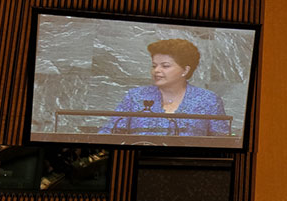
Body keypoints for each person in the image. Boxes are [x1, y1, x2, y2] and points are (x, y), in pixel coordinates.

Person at [98, 39, 229, 137]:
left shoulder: (209, 100)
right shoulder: (135, 96)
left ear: (185, 70)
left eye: (165, 66)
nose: (157, 71)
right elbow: (109, 133)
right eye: (154, 66)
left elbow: (221, 141)